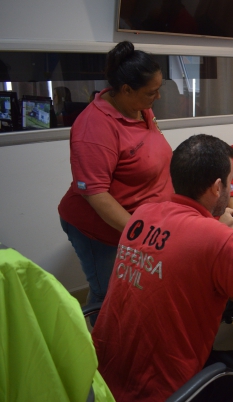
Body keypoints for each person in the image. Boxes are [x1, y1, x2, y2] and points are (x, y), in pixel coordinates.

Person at [92, 134, 233, 401]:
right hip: (159, 391)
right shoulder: (217, 240)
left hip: (101, 377)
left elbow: (178, 247)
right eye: (231, 182)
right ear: (217, 187)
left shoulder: (142, 214)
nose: (232, 189)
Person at [58, 41, 173, 310]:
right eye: (151, 92)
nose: (157, 98)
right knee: (109, 295)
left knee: (136, 289)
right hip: (101, 229)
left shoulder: (139, 108)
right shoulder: (94, 127)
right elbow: (97, 195)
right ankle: (102, 351)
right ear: (126, 90)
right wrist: (142, 235)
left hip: (141, 222)